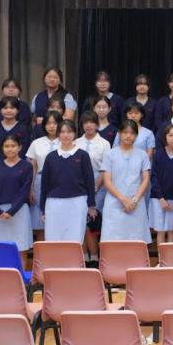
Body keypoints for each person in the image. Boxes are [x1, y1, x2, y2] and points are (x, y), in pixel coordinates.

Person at [40, 120, 97, 243]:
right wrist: (42, 208)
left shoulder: (83, 155)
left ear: (75, 134)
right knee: (53, 238)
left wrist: (91, 205)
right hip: (54, 202)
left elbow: (89, 181)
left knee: (75, 238)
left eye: (69, 132)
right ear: (58, 134)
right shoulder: (51, 157)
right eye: (62, 132)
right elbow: (44, 184)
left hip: (78, 201)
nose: (66, 135)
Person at [101, 120, 151, 243]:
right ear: (119, 134)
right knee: (113, 240)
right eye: (125, 132)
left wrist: (134, 200)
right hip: (114, 202)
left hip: (136, 203)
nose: (128, 135)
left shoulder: (143, 155)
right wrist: (123, 199)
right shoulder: (110, 154)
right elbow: (107, 181)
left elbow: (146, 179)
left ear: (136, 135)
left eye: (132, 133)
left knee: (136, 240)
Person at [0, 135, 33, 265]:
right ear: (2, 148)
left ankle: (20, 276)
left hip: (19, 211)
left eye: (13, 146)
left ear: (20, 147)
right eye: (6, 146)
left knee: (20, 247)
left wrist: (12, 211)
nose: (10, 149)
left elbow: (24, 191)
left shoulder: (26, 166)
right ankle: (0, 275)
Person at [75, 111, 111, 263]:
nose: (88, 125)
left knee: (93, 221)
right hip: (79, 187)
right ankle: (83, 256)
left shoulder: (104, 143)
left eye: (91, 122)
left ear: (97, 124)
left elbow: (106, 168)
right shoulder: (76, 142)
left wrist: (95, 186)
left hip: (99, 186)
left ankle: (95, 257)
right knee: (81, 222)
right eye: (85, 122)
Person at [26, 111, 62, 237]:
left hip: (61, 181)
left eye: (55, 123)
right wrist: (31, 189)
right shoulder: (36, 143)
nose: (52, 126)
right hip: (40, 181)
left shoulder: (66, 141)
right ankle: (42, 248)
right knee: (39, 220)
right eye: (48, 123)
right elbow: (33, 167)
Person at [149, 124, 173, 246]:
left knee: (171, 230)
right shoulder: (158, 154)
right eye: (171, 135)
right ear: (165, 137)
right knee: (160, 231)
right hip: (158, 198)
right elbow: (154, 176)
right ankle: (161, 256)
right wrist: (161, 198)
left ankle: (170, 256)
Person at [0, 96, 30, 161]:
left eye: (12, 108)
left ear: (18, 110)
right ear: (0, 110)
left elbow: (25, 149)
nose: (8, 110)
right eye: (5, 108)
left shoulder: (23, 129)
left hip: (18, 164)